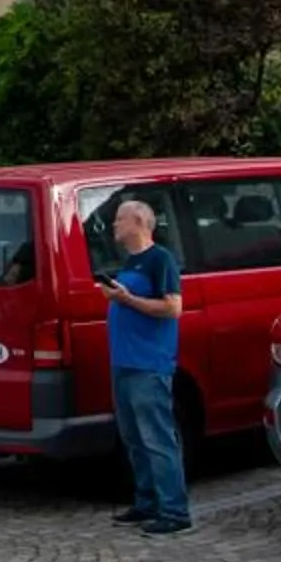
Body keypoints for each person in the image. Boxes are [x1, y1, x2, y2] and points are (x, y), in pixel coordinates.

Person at [99, 193, 190, 536]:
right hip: (122, 362)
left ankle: (174, 509)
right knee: (134, 437)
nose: (114, 225)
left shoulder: (159, 260)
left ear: (138, 222)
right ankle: (147, 500)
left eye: (120, 219)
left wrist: (127, 299)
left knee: (157, 437)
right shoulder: (129, 262)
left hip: (148, 363)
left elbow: (172, 308)